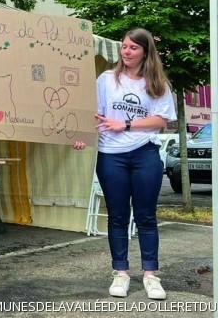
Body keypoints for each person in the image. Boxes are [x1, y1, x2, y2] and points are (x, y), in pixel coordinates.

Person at [75, 28, 175, 300]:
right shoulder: (107, 79)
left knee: (145, 216)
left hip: (145, 153)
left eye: (133, 48)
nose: (126, 52)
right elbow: (95, 114)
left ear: (145, 51)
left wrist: (127, 124)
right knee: (118, 216)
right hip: (111, 155)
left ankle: (151, 275)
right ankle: (120, 273)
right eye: (124, 47)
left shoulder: (157, 83)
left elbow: (161, 120)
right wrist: (82, 136)